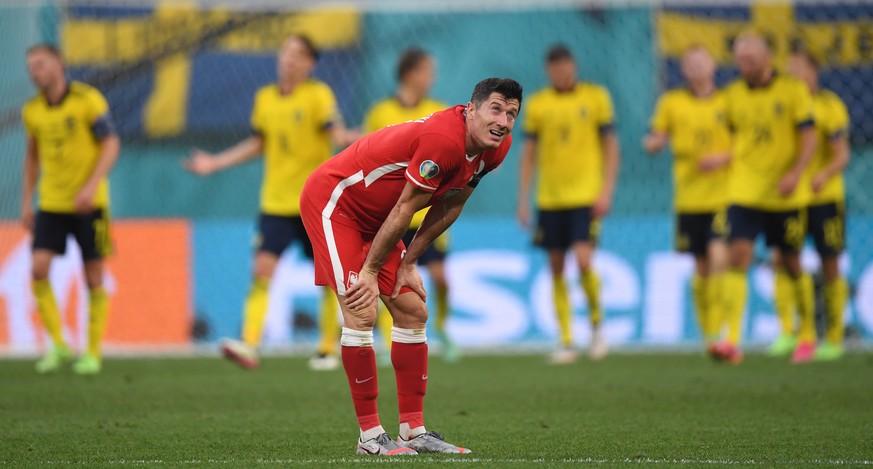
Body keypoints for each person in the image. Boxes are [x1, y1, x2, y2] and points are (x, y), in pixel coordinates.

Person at [300, 78, 522, 455]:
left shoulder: (494, 148)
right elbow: (406, 208)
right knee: (360, 307)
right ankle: (370, 437)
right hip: (336, 203)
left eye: (512, 114)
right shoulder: (444, 142)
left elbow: (451, 204)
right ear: (471, 110)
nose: (503, 121)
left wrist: (409, 261)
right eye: (495, 109)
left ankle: (412, 430)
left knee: (413, 311)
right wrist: (370, 272)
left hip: (378, 217)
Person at [184, 35, 357, 371]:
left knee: (329, 276)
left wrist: (362, 136)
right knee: (262, 271)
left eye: (298, 54)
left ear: (311, 64)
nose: (289, 59)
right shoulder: (265, 98)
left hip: (314, 202)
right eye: (286, 52)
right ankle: (249, 345)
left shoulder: (318, 95)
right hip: (275, 203)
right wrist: (215, 163)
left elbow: (338, 135)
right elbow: (258, 143)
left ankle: (326, 347)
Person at [711, 31, 818, 364]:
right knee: (737, 255)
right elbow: (736, 138)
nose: (744, 65)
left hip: (785, 193)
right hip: (744, 190)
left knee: (790, 261)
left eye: (750, 59)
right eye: (740, 60)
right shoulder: (731, 96)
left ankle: (807, 334)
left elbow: (809, 138)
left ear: (766, 59)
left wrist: (796, 173)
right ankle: (730, 340)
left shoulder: (793, 90)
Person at [21, 44, 121, 375]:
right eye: (31, 67)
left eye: (41, 64)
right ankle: (59, 346)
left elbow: (111, 144)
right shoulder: (32, 111)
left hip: (90, 204)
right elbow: (32, 157)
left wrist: (91, 186)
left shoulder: (86, 101)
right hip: (52, 203)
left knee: (94, 275)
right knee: (38, 268)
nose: (35, 72)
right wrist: (26, 201)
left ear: (59, 64)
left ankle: (92, 352)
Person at [517, 45, 619, 363]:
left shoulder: (596, 97)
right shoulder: (537, 104)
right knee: (556, 268)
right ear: (549, 70)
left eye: (566, 66)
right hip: (550, 199)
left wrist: (606, 191)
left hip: (585, 196)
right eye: (555, 67)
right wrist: (523, 199)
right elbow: (529, 155)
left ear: (573, 66)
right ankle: (566, 341)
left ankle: (598, 328)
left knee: (584, 261)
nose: (562, 72)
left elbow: (612, 147)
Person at [362, 48, 458, 364]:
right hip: (393, 214)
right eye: (427, 71)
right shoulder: (379, 113)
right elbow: (367, 160)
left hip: (427, 213)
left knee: (441, 276)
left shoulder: (440, 112)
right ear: (409, 74)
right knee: (388, 281)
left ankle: (443, 328)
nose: (431, 78)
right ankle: (390, 341)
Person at [643, 45, 731, 352]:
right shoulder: (672, 102)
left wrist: (721, 159)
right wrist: (653, 143)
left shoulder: (728, 102)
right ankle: (709, 335)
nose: (696, 68)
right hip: (689, 198)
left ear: (713, 65)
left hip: (723, 195)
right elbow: (656, 136)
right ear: (684, 70)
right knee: (702, 267)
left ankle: (723, 330)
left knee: (720, 257)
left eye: (701, 62)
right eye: (690, 64)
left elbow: (746, 145)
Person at [767, 48, 851, 361]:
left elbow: (842, 153)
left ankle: (834, 337)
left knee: (829, 262)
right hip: (789, 195)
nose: (795, 77)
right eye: (789, 71)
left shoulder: (829, 106)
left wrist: (824, 174)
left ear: (814, 72)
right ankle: (789, 332)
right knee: (782, 258)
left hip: (824, 196)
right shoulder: (782, 105)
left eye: (800, 70)